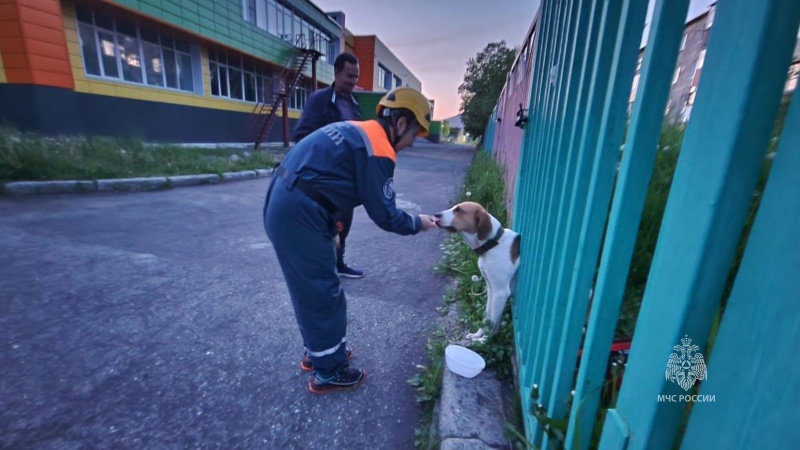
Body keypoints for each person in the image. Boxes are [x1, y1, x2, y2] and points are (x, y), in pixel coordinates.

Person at [264, 86, 437, 393]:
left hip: (285, 201)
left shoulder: (358, 131)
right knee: (324, 292)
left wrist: (331, 233)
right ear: (400, 124)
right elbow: (385, 214)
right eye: (415, 134)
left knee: (311, 288)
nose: (411, 143)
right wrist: (417, 223)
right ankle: (329, 371)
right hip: (301, 211)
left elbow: (330, 182)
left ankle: (319, 353)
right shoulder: (379, 147)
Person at [293, 52, 365, 279]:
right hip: (323, 179)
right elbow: (302, 135)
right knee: (324, 227)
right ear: (336, 73)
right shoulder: (320, 99)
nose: (353, 82)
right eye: (349, 76)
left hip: (346, 178)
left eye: (356, 77)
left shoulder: (354, 104)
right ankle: (321, 267)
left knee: (343, 225)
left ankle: (338, 263)